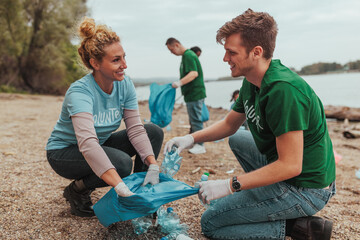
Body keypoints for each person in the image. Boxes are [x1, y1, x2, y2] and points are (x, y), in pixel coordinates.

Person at [164, 9, 335, 240]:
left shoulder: (283, 91)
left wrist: (230, 185)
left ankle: (296, 227)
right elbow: (229, 125)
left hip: (305, 188)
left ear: (256, 52)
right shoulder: (252, 81)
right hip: (286, 170)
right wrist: (191, 138)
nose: (225, 59)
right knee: (237, 139)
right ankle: (264, 198)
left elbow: (291, 166)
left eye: (231, 52)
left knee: (211, 222)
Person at [46, 17, 164, 217]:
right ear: (95, 63)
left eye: (124, 57)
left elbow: (135, 128)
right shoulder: (80, 92)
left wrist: (152, 164)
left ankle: (141, 194)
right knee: (122, 163)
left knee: (152, 131)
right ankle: (78, 190)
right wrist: (119, 185)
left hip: (98, 143)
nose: (124, 65)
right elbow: (88, 144)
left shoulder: (125, 84)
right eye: (116, 60)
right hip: (64, 152)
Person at [166, 38, 207, 154]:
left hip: (195, 93)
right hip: (190, 94)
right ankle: (193, 142)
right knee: (193, 120)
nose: (172, 53)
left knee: (196, 120)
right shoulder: (185, 57)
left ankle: (200, 145)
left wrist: (179, 83)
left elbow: (194, 73)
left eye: (171, 49)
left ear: (177, 45)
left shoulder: (189, 55)